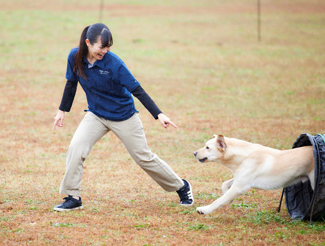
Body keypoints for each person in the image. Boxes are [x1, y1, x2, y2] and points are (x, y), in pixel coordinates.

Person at [53, 23, 193, 211]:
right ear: (88, 43)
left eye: (109, 46)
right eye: (102, 47)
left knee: (144, 157)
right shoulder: (75, 57)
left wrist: (158, 114)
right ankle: (73, 196)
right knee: (76, 148)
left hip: (124, 116)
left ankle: (182, 187)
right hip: (96, 114)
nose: (105, 50)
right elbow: (71, 83)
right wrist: (62, 110)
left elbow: (137, 89)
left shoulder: (114, 63)